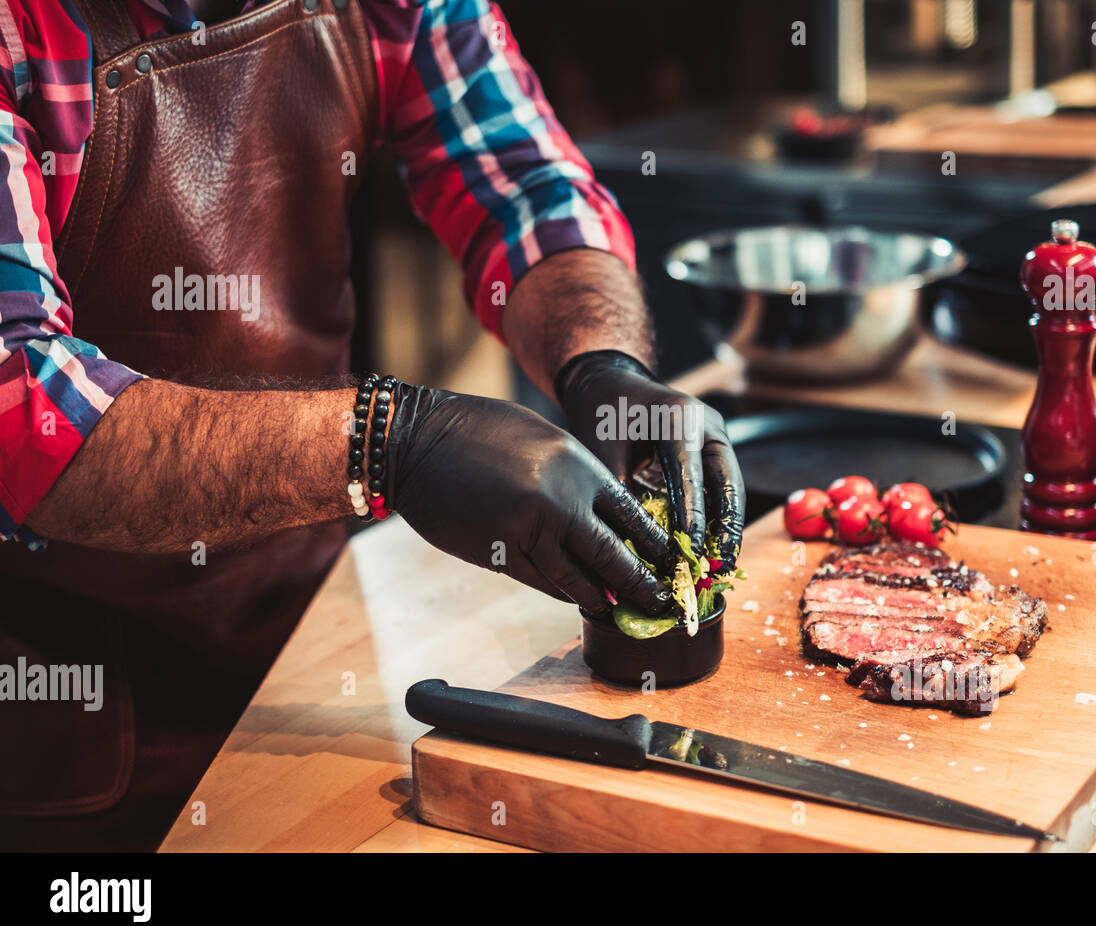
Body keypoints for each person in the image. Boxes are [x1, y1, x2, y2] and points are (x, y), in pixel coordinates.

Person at [0, 0, 744, 851]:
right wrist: (389, 441)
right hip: (73, 722)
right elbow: (23, 405)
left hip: (309, 645)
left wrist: (602, 366)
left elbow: (526, 183)